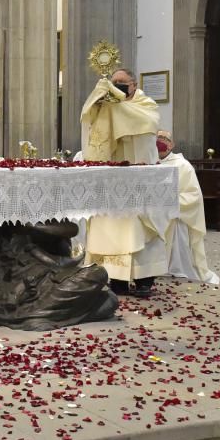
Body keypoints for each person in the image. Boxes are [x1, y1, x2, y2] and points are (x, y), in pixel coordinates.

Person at [79, 68, 166, 297]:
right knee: (110, 228)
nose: (117, 86)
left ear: (134, 84)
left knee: (140, 228)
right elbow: (89, 118)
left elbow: (146, 123)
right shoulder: (109, 106)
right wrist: (99, 102)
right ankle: (115, 278)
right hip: (112, 179)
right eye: (114, 82)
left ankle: (144, 279)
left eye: (122, 83)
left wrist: (115, 104)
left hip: (138, 178)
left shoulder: (145, 103)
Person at [157, 130, 219, 284]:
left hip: (176, 213)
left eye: (165, 139)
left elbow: (193, 195)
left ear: (172, 144)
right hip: (155, 214)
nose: (161, 141)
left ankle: (176, 268)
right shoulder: (148, 163)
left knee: (176, 225)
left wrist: (171, 203)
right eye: (158, 138)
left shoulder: (182, 165)